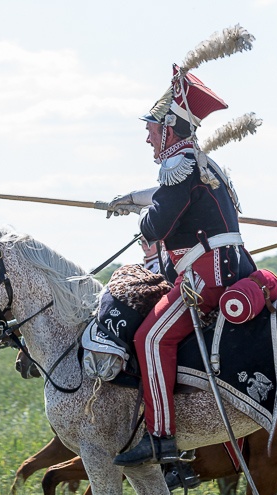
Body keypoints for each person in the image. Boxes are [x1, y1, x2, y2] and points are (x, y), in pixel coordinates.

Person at [109, 66, 256, 467]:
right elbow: (169, 199)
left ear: (170, 130)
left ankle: (161, 437)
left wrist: (139, 216)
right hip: (231, 266)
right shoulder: (201, 163)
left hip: (206, 276)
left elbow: (157, 225)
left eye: (152, 129)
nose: (147, 136)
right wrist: (133, 198)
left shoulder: (178, 165)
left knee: (150, 339)